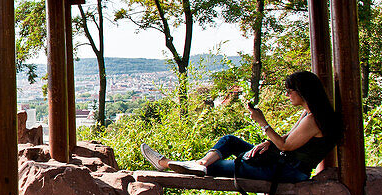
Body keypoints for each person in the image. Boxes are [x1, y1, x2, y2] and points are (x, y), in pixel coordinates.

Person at [141, 70, 342, 183]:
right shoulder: (309, 113)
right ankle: (200, 164)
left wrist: (262, 122)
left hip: (287, 171)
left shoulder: (314, 119)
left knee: (216, 166)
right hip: (280, 162)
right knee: (229, 141)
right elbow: (287, 141)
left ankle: (166, 163)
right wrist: (268, 143)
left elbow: (285, 146)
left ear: (302, 91)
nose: (287, 95)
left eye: (290, 91)